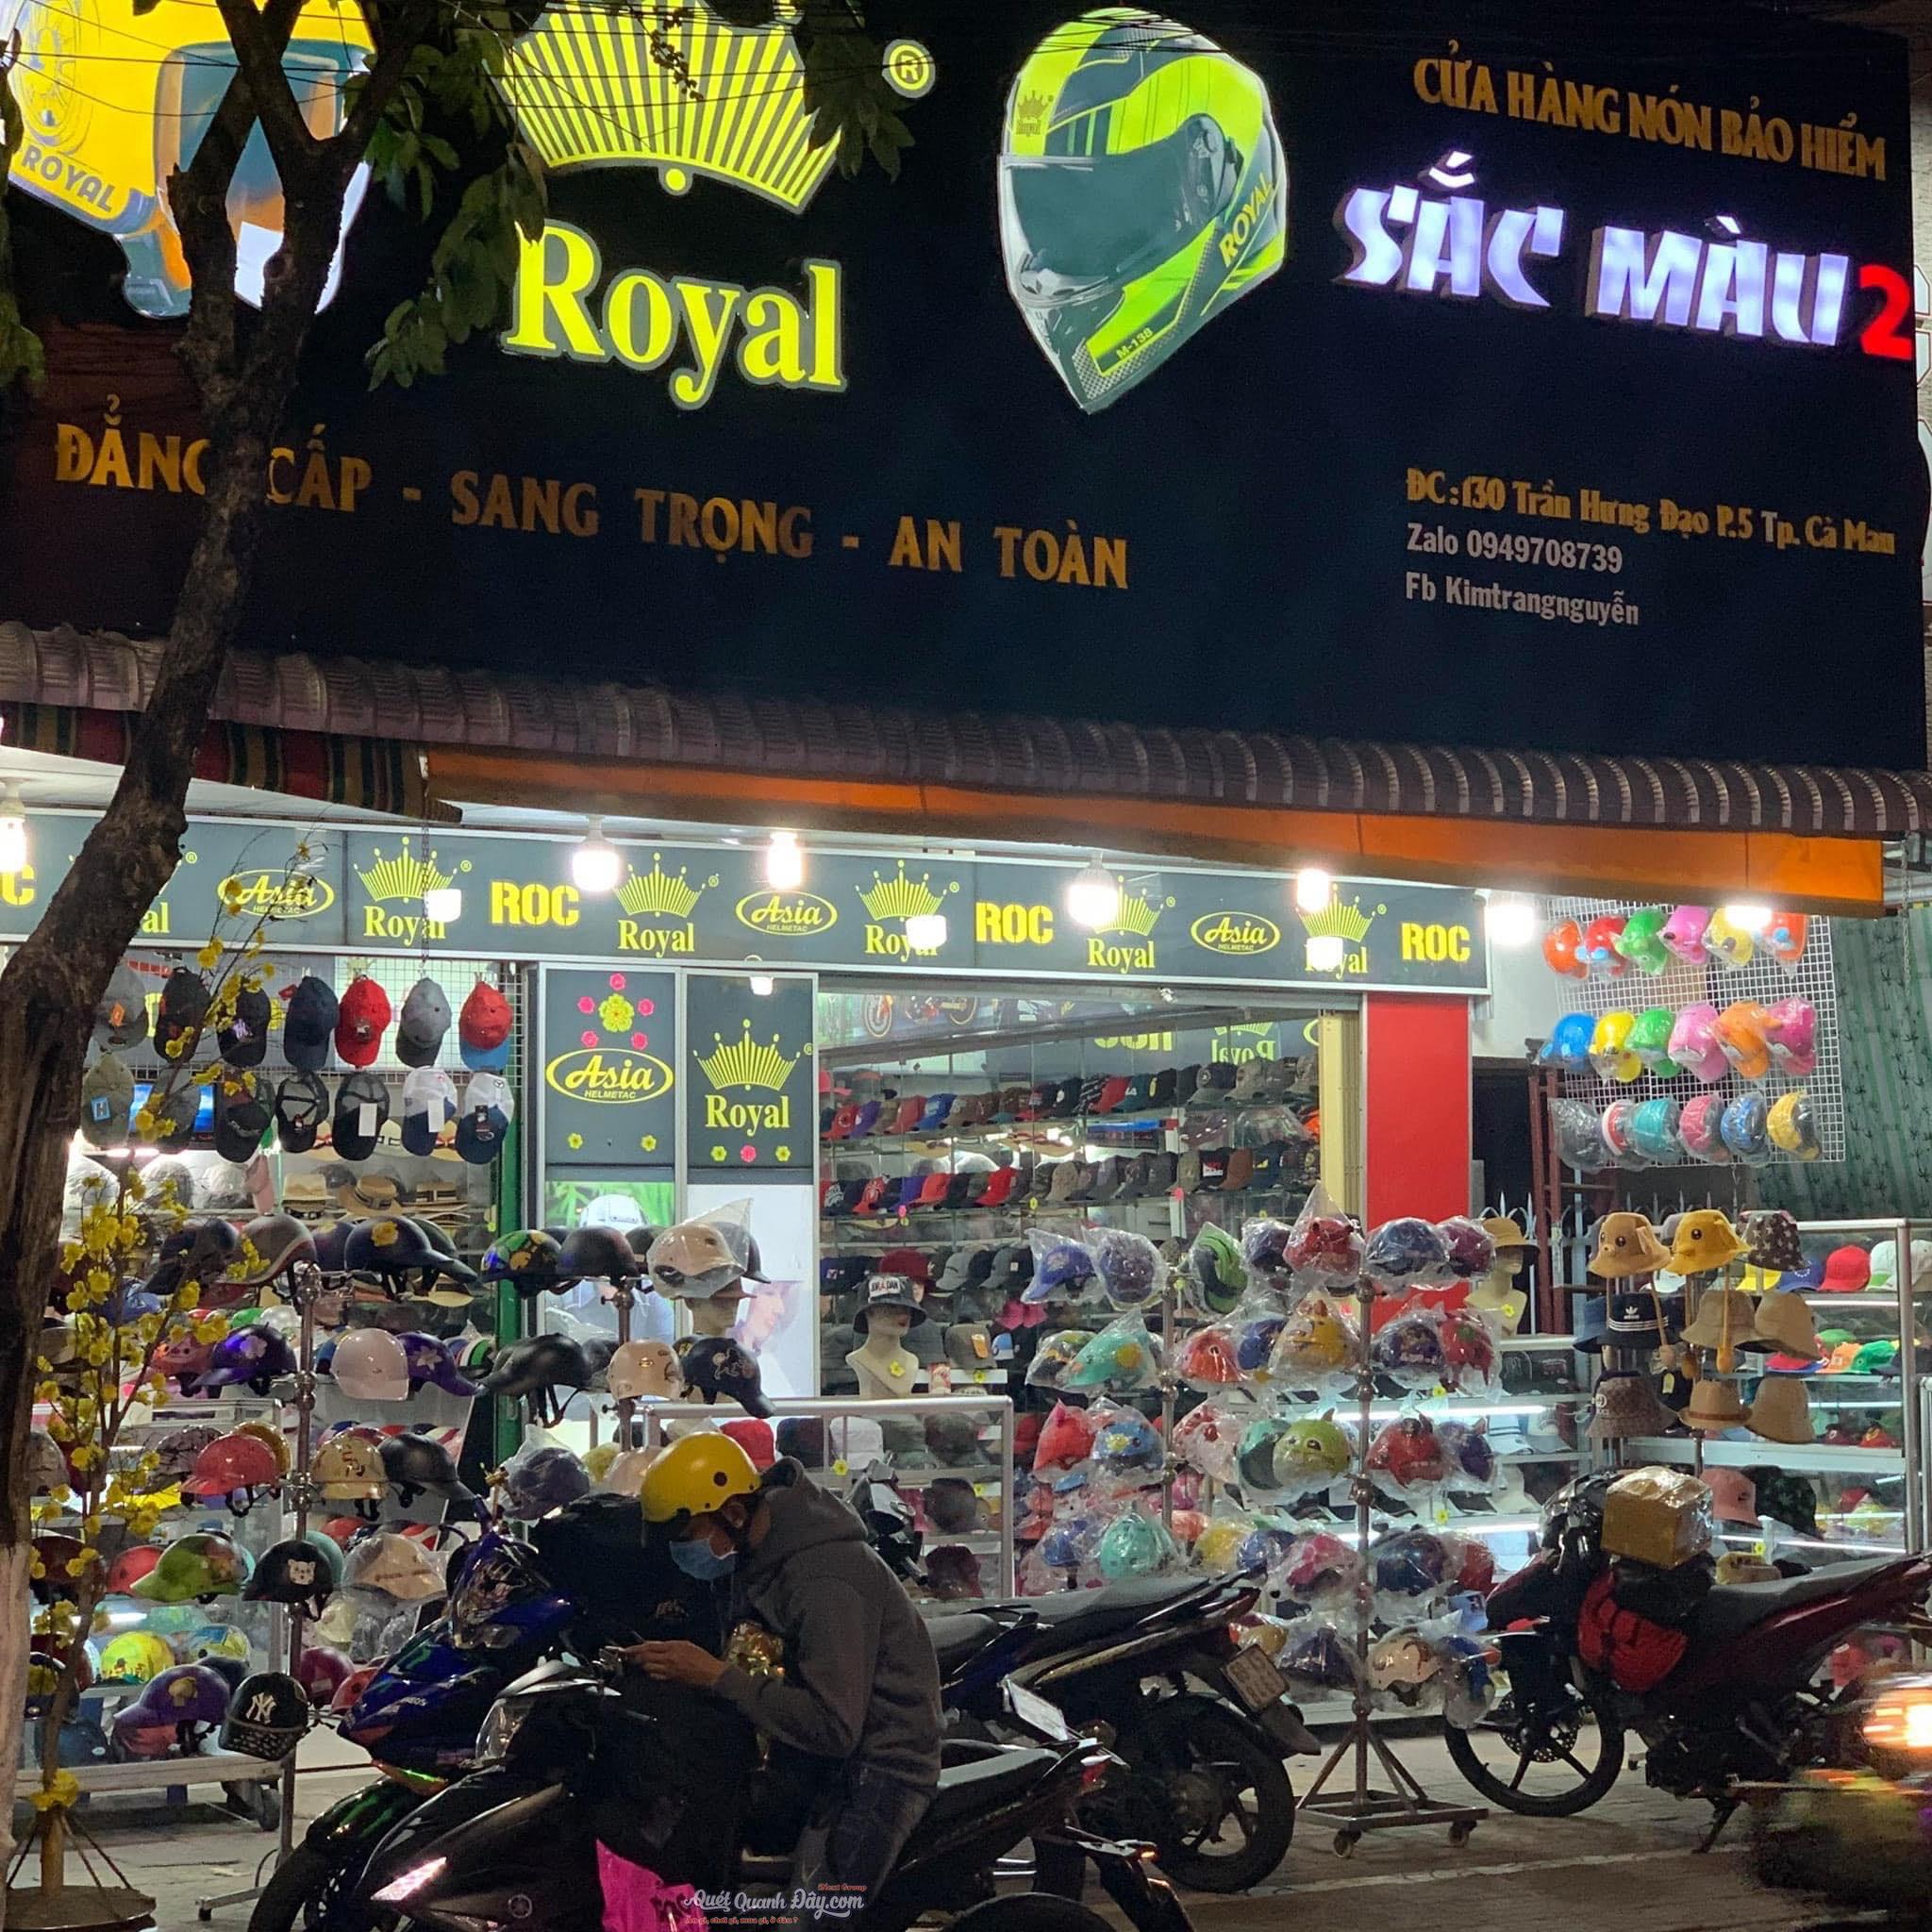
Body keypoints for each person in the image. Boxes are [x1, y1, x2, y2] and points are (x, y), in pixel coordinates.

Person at [626, 1432, 941, 1906]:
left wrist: (717, 1676)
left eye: (687, 1537)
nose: (681, 1551)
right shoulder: (756, 1555)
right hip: (805, 1762)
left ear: (734, 1514)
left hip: (878, 1769)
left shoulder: (826, 1581)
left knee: (813, 1917)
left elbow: (834, 1727)